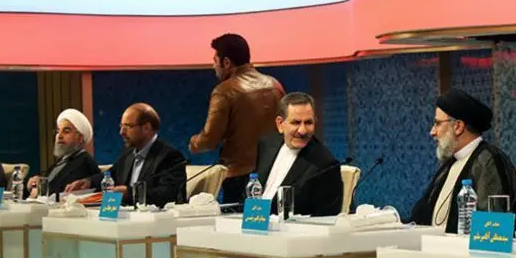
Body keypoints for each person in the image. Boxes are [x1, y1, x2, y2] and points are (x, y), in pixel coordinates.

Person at [410, 88, 516, 232]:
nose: (432, 132)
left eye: (438, 123)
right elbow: (419, 215)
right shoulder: (450, 163)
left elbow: (492, 228)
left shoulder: (489, 161)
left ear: (458, 126)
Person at [189, 34, 285, 204]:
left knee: (238, 221)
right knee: (269, 219)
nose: (213, 66)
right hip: (274, 172)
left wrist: (193, 143)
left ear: (226, 62)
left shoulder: (224, 91)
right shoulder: (275, 85)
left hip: (239, 179)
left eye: (215, 60)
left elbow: (209, 140)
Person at [67, 103, 186, 208]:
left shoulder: (170, 156)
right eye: (121, 126)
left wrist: (129, 193)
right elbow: (112, 174)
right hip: (124, 216)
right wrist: (88, 182)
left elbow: (168, 193)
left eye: (128, 126)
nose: (121, 132)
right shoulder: (128, 153)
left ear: (146, 128)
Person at [253, 92, 343, 217]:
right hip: (253, 221)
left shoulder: (325, 164)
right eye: (296, 122)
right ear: (280, 124)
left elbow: (326, 219)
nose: (302, 131)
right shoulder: (266, 145)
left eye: (308, 123)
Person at [27, 109, 100, 197]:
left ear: (80, 138)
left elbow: (63, 191)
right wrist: (34, 182)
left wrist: (40, 189)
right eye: (58, 131)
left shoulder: (84, 162)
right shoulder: (63, 161)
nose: (59, 136)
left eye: (66, 131)